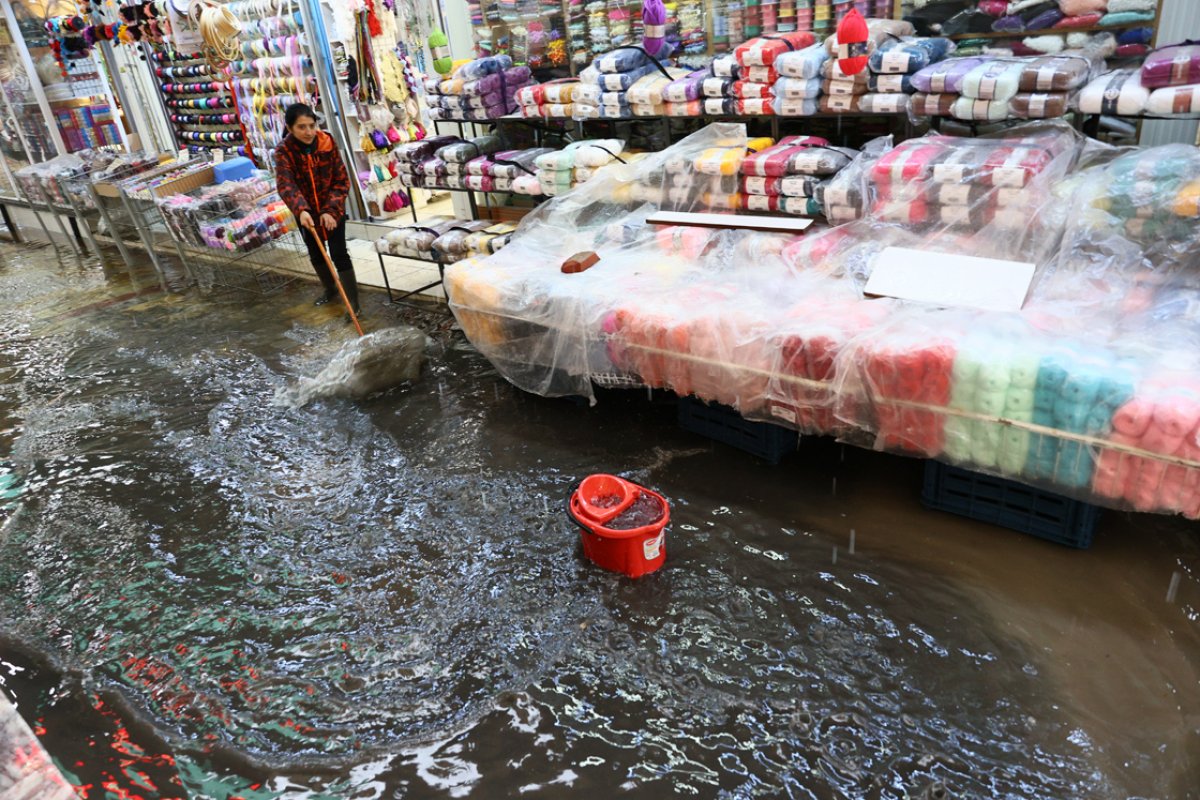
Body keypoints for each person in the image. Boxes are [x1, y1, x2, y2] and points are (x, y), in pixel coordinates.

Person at [274, 102, 360, 315]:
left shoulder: (326, 143)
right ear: (290, 127)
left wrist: (330, 210)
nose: (309, 132)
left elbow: (341, 180)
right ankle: (330, 289)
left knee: (339, 253)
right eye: (301, 127)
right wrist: (301, 209)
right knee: (316, 253)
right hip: (306, 213)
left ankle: (353, 304)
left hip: (333, 208)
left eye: (312, 125)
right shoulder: (284, 151)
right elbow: (286, 184)